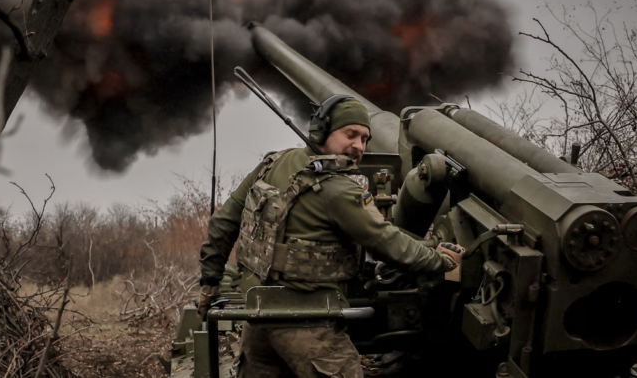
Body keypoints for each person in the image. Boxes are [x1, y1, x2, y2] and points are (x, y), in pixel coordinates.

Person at [197, 96, 464, 378]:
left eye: (364, 139)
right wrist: (441, 261)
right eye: (351, 134)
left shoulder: (272, 164)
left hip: (258, 317)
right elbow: (389, 243)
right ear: (320, 132)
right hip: (310, 325)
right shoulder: (339, 189)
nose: (359, 146)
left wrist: (209, 284)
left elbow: (223, 223)